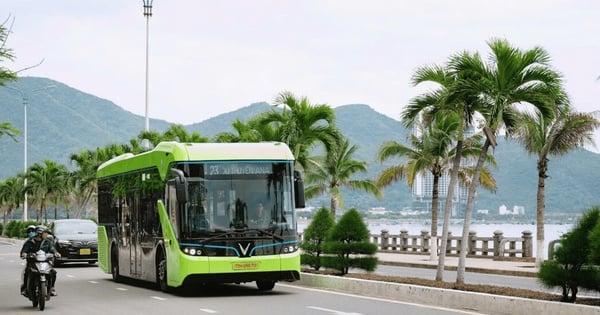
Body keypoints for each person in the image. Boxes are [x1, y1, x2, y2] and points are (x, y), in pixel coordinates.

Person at [20, 225, 61, 296]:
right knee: (27, 272)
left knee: (53, 272)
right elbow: (24, 250)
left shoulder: (47, 242)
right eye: (45, 233)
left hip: (45, 262)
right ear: (40, 233)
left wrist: (56, 253)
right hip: (33, 262)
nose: (47, 235)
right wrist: (24, 254)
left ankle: (51, 288)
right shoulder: (30, 241)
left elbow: (52, 249)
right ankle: (25, 288)